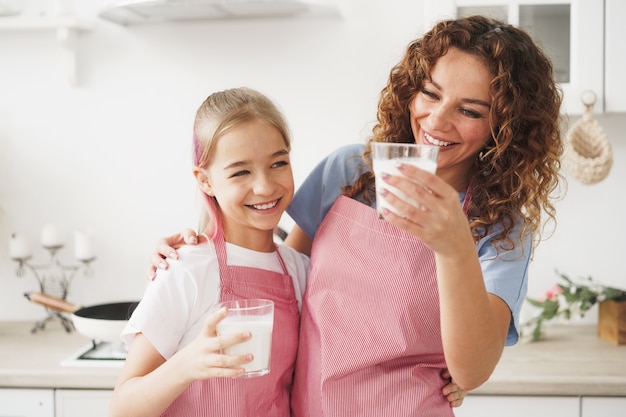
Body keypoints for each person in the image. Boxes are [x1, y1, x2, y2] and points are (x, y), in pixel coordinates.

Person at [149, 15, 563, 416]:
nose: (436, 120)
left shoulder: (502, 227)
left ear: (507, 126)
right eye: (431, 94)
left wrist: (454, 244)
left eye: (470, 111)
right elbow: (281, 279)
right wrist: (199, 247)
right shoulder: (350, 171)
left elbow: (472, 370)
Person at [109, 87, 310, 417]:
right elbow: (121, 408)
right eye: (241, 171)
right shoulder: (187, 269)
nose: (265, 186)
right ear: (205, 181)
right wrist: (188, 364)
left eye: (278, 163)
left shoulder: (298, 270)